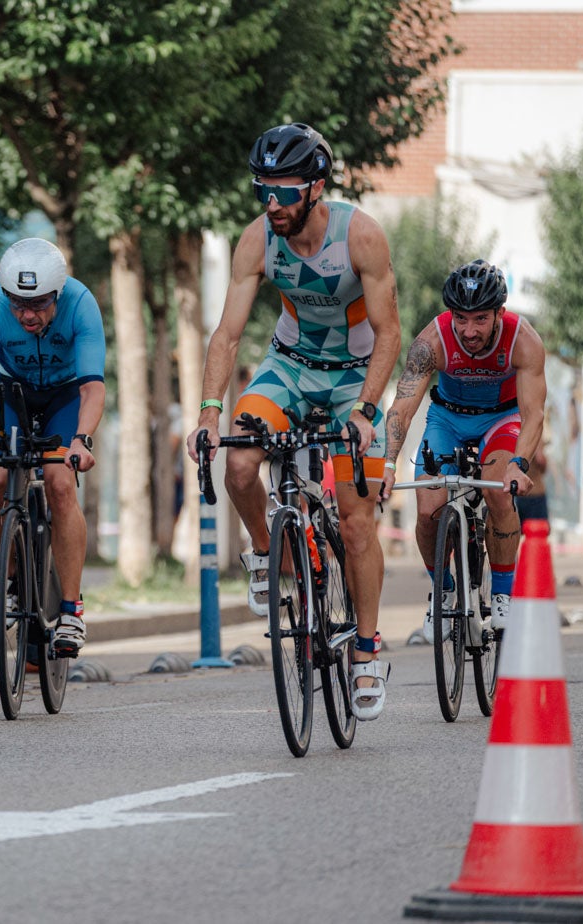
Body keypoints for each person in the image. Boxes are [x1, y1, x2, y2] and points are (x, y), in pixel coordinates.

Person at [186, 123, 400, 721]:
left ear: (316, 188)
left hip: (353, 376)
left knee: (357, 523)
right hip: (289, 366)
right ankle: (266, 550)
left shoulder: (361, 236)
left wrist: (365, 411)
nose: (272, 204)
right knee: (238, 465)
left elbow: (390, 334)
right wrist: (208, 411)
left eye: (283, 191)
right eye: (263, 191)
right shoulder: (256, 240)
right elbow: (228, 334)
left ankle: (364, 649)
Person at [0, 237, 104, 661]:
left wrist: (81, 441)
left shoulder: (81, 303)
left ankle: (70, 610)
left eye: (39, 304)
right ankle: (11, 581)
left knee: (61, 484)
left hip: (65, 396)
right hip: (12, 392)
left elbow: (92, 387)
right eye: (18, 304)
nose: (27, 315)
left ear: (58, 294)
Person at [381, 259, 546, 638]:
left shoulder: (524, 340)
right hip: (447, 419)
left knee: (500, 494)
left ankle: (502, 595)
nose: (469, 330)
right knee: (427, 508)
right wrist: (388, 463)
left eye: (480, 319)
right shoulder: (432, 341)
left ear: (499, 314)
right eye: (461, 318)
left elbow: (534, 414)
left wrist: (519, 465)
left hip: (500, 421)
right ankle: (443, 589)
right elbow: (403, 407)